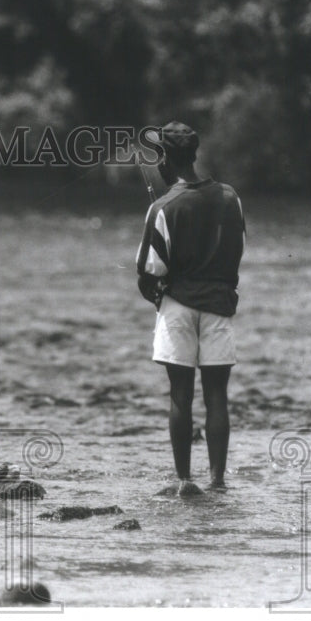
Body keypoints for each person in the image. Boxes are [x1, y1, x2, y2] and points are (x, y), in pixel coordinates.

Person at [135, 121, 245, 496]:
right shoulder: (231, 198)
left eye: (158, 156)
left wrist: (157, 295)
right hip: (219, 306)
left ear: (166, 158)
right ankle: (217, 482)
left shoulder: (162, 207)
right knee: (217, 397)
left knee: (180, 395)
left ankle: (184, 480)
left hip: (177, 307)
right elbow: (237, 251)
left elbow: (148, 271)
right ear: (194, 154)